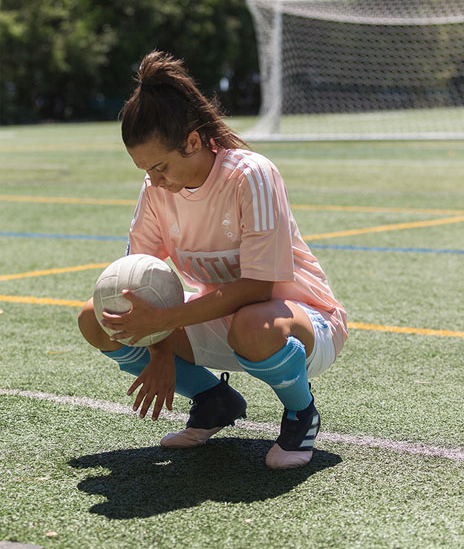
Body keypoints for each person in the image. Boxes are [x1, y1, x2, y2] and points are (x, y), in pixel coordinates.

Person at [77, 51, 347, 469]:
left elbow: (257, 289)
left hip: (303, 323)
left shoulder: (250, 175)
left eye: (161, 166)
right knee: (98, 316)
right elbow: (133, 283)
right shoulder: (155, 192)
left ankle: (301, 412)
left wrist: (164, 322)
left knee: (253, 323)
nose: (154, 180)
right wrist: (160, 351)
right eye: (145, 169)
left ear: (193, 141)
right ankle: (213, 400)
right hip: (218, 320)